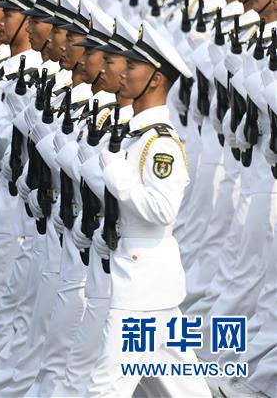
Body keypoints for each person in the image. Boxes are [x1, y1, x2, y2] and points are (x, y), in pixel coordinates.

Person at [87, 22, 210, 398]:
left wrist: (115, 172)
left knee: (104, 386)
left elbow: (162, 209)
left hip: (140, 282)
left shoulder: (160, 145)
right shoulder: (133, 133)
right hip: (140, 281)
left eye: (131, 69)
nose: (121, 75)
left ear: (156, 79)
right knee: (179, 385)